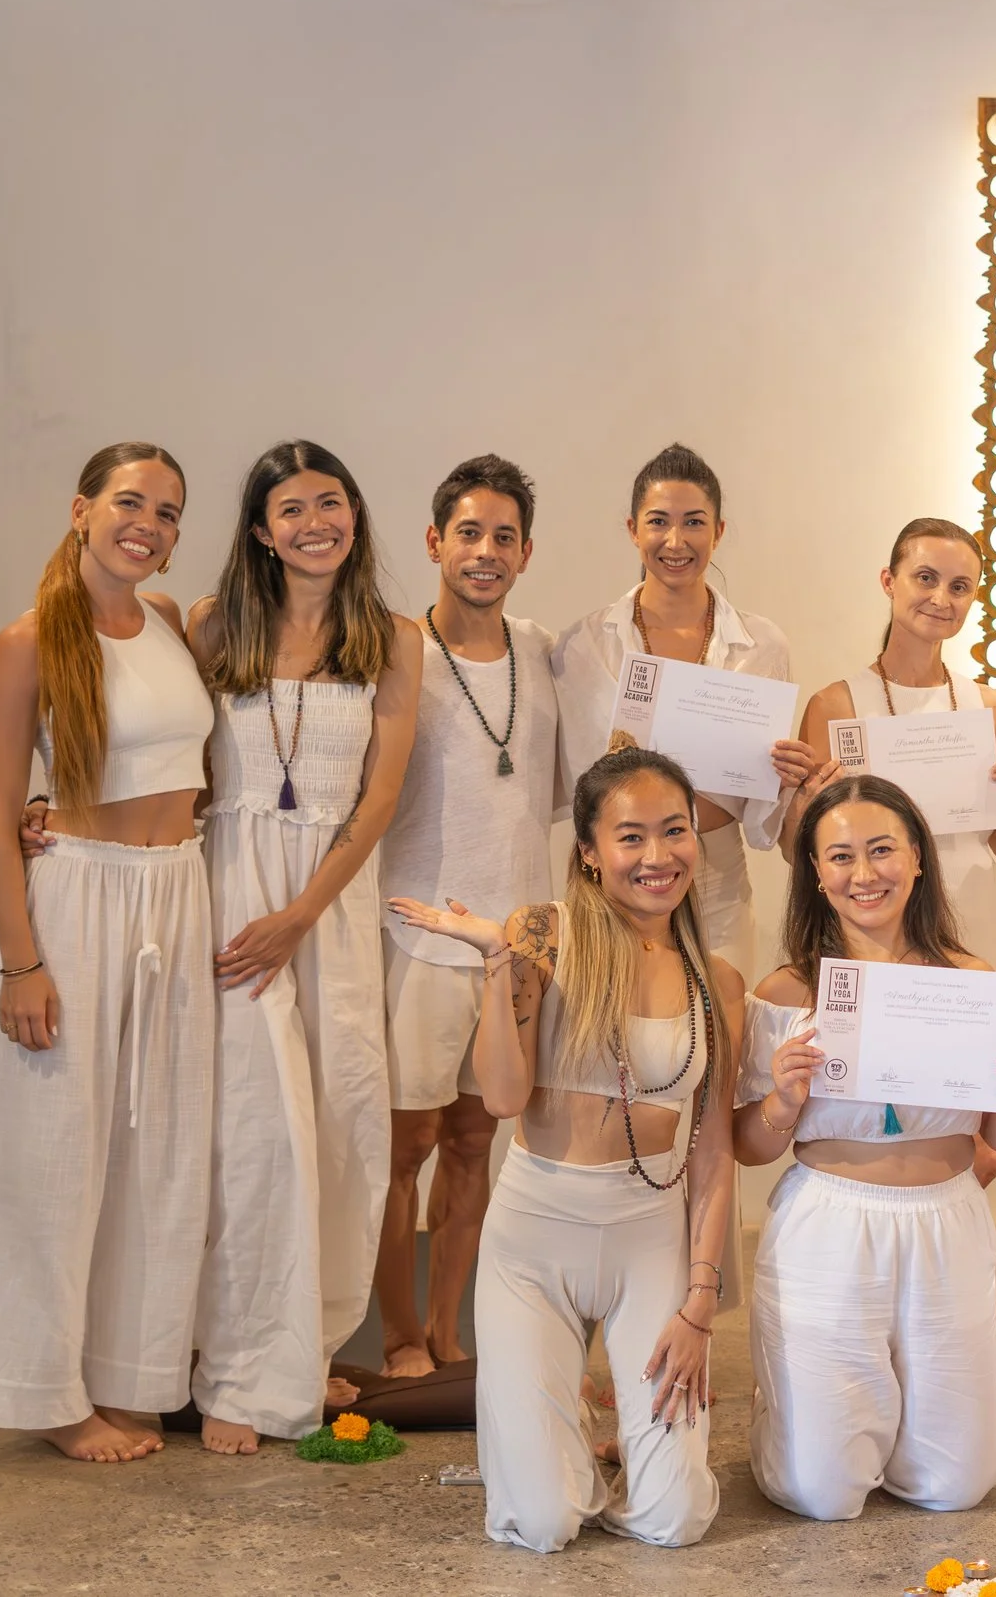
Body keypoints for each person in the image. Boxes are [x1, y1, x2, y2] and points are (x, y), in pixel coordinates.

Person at [388, 748, 738, 1552]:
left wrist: (699, 1303)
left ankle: (596, 1442)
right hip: (533, 1240)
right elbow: (504, 1097)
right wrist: (497, 962)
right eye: (630, 836)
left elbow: (715, 1152)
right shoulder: (542, 933)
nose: (657, 855)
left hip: (649, 1237)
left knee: (676, 1518)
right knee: (543, 1522)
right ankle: (555, 1428)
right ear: (588, 850)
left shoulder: (715, 980)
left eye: (675, 830)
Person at [0, 443, 215, 1462]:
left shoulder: (167, 621)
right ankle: (45, 1392)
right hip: (74, 899)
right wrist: (22, 961)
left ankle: (129, 1371)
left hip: (177, 893)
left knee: (159, 1153)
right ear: (81, 510)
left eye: (167, 511)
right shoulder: (27, 640)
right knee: (55, 1159)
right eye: (129, 502)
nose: (147, 524)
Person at [187, 440, 421, 1453]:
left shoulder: (392, 638)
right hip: (233, 899)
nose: (314, 522)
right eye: (291, 508)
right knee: (251, 1132)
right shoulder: (211, 625)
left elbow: (378, 801)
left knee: (339, 1127)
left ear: (354, 515)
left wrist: (303, 915)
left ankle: (304, 1345)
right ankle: (236, 1370)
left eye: (331, 502)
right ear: (260, 529)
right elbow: (168, 765)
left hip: (331, 906)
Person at [734, 774, 996, 1520]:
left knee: (957, 1484)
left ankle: (891, 1422)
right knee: (821, 1492)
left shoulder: (970, 983)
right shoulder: (785, 993)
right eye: (841, 856)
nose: (864, 873)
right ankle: (786, 1412)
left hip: (947, 1217)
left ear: (917, 859)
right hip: (829, 1222)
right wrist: (782, 1102)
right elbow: (747, 1146)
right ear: (815, 872)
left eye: (882, 850)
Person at [371, 456, 564, 1380]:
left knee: (477, 1143)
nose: (486, 551)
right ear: (434, 541)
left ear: (526, 552)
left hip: (518, 939)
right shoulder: (398, 649)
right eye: (469, 533)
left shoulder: (543, 652)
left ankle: (449, 1334)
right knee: (403, 1145)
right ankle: (398, 1335)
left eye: (504, 537)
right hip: (418, 934)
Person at [552, 444, 818, 977]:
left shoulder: (762, 645)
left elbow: (764, 807)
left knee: (723, 1017)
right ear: (633, 529)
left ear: (718, 531)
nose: (676, 541)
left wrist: (787, 777)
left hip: (717, 874)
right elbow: (580, 780)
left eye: (694, 522)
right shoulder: (585, 643)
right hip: (620, 877)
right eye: (658, 522)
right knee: (617, 1023)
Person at [787, 516, 996, 974]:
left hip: (972, 912)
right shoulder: (836, 705)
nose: (941, 598)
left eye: (959, 587)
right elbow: (798, 852)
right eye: (925, 578)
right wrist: (803, 803)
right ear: (889, 581)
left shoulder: (990, 705)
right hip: (873, 921)